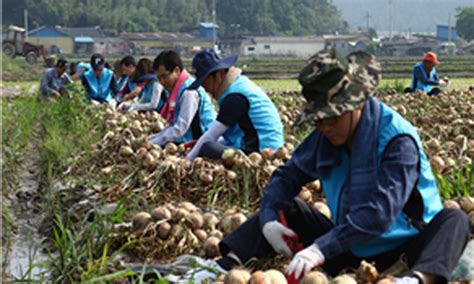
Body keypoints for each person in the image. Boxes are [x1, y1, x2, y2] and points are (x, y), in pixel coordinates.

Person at [185, 49, 469, 284]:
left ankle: (416, 281)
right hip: (349, 247)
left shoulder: (396, 140)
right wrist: (270, 218)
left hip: (405, 250)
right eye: (319, 119)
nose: (325, 127)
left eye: (331, 117)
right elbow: (286, 176)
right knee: (287, 206)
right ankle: (224, 266)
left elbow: (379, 214)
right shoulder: (326, 136)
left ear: (356, 103)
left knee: (452, 220)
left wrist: (320, 249)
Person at [185, 49, 284, 161]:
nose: (205, 88)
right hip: (267, 145)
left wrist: (188, 159)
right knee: (206, 144)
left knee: (207, 147)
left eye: (205, 82)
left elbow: (211, 135)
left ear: (219, 74)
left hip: (261, 152)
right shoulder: (239, 85)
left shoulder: (234, 97)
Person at [149, 50, 216, 146]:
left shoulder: (189, 91)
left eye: (164, 76)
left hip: (202, 141)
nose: (162, 82)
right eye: (159, 78)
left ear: (176, 70)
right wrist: (152, 138)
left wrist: (152, 143)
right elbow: (174, 125)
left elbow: (180, 128)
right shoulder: (177, 88)